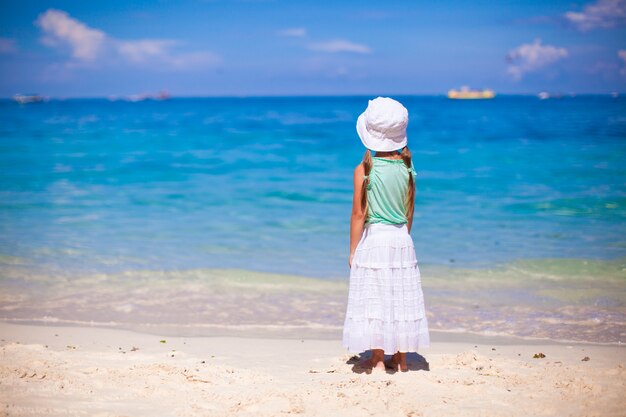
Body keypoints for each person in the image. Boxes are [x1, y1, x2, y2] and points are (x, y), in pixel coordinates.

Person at [342, 97, 430, 372]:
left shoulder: (364, 170)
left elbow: (358, 214)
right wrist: (403, 237)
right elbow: (409, 211)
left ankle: (379, 358)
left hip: (375, 239)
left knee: (376, 298)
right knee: (399, 297)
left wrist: (353, 250)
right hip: (402, 238)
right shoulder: (408, 169)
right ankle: (401, 359)